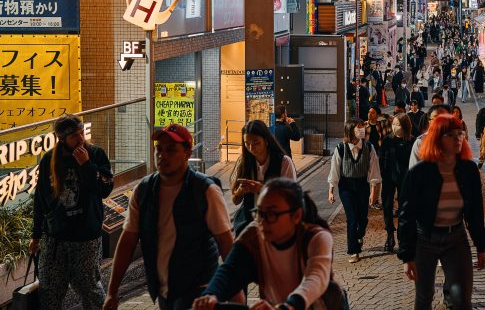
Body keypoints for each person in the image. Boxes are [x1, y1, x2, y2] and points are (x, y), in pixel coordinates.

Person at [104, 124, 233, 310]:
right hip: (163, 291)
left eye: (171, 150)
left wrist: (234, 291)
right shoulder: (144, 190)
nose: (162, 155)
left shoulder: (205, 190)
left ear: (188, 152)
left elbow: (226, 243)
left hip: (200, 290)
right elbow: (128, 241)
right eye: (159, 149)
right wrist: (112, 292)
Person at [192, 178, 334, 310]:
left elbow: (315, 278)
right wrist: (210, 295)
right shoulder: (253, 236)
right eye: (259, 213)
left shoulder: (316, 237)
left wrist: (290, 305)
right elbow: (230, 270)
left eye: (272, 214)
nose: (262, 222)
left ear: (296, 215)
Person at [398, 114, 485, 310]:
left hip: (455, 238)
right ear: (437, 138)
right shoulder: (420, 172)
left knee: (462, 298)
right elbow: (406, 214)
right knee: (424, 296)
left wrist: (480, 246)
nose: (457, 139)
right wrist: (407, 255)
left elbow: (474, 211)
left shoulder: (468, 170)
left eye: (460, 133)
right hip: (424, 239)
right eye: (450, 134)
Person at [30, 115, 113, 310]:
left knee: (89, 288)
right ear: (62, 138)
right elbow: (41, 199)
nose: (80, 139)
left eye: (81, 133)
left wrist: (86, 165)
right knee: (50, 288)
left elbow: (105, 189)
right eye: (74, 136)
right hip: (55, 237)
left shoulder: (95, 154)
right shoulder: (49, 160)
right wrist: (35, 235)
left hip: (86, 238)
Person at [327, 118, 381, 263]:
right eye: (359, 127)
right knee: (351, 218)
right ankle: (353, 251)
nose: (362, 129)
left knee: (362, 218)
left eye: (363, 126)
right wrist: (331, 190)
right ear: (351, 130)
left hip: (362, 184)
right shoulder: (341, 148)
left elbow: (374, 171)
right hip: (346, 187)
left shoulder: (369, 147)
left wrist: (373, 191)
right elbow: (335, 170)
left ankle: (360, 234)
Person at [231, 120, 297, 235]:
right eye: (247, 143)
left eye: (256, 143)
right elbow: (235, 200)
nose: (251, 148)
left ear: (266, 141)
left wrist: (262, 189)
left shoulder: (283, 162)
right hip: (247, 225)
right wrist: (241, 190)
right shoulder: (244, 162)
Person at [380, 113, 415, 252]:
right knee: (387, 207)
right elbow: (382, 159)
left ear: (405, 125)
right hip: (389, 178)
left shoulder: (412, 141)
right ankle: (390, 234)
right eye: (393, 124)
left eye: (398, 124)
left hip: (405, 180)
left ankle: (402, 236)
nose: (395, 127)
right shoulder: (387, 140)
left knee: (403, 209)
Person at [410, 104, 451, 168]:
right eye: (436, 118)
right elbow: (413, 171)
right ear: (429, 122)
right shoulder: (420, 142)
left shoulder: (457, 140)